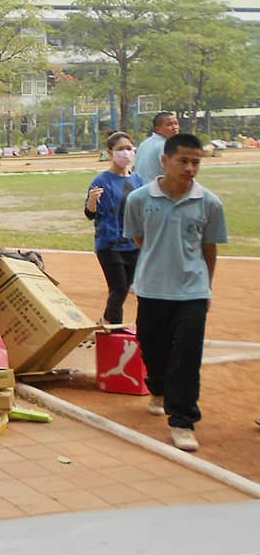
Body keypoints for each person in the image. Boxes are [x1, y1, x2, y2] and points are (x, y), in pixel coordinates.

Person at [123, 133, 228, 452]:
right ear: (164, 160)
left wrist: (204, 286)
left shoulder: (209, 202)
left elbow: (209, 249)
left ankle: (183, 421)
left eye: (196, 162)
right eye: (183, 161)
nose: (190, 168)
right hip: (152, 289)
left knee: (187, 355)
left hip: (192, 292)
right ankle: (157, 386)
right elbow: (140, 239)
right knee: (152, 348)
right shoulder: (139, 199)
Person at [84, 131, 144, 324]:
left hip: (133, 244)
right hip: (109, 244)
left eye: (128, 148)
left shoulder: (138, 181)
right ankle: (114, 329)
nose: (125, 153)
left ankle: (107, 322)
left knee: (125, 288)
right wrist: (92, 201)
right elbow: (90, 214)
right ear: (110, 153)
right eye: (120, 149)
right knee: (118, 289)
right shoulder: (101, 181)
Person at [133, 111, 180, 184]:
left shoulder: (144, 143)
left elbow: (134, 169)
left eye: (176, 123)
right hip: (155, 191)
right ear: (157, 129)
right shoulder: (165, 145)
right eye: (169, 124)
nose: (175, 127)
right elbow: (174, 174)